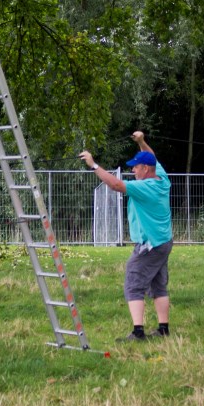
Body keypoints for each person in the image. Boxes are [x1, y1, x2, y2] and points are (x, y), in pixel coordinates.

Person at [79, 131, 173, 341]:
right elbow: (152, 157)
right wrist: (141, 142)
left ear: (146, 169)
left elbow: (115, 185)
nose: (133, 169)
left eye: (136, 166)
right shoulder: (162, 179)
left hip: (150, 244)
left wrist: (94, 165)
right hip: (164, 241)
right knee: (158, 285)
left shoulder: (145, 187)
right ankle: (163, 329)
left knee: (133, 282)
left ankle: (138, 332)